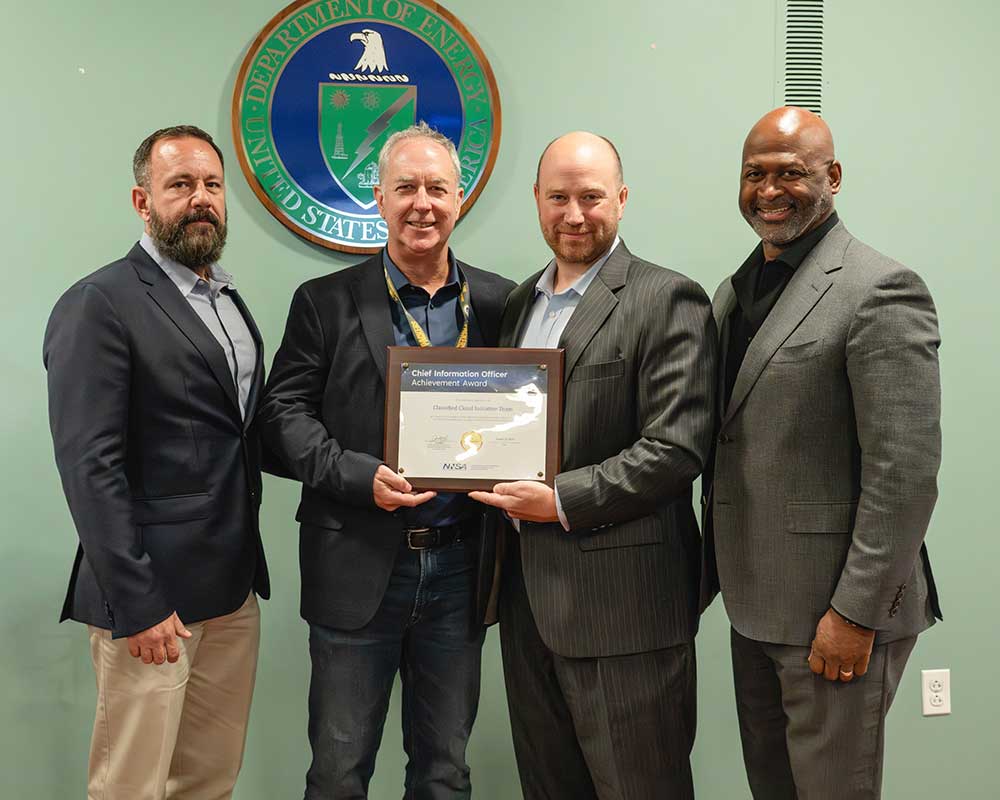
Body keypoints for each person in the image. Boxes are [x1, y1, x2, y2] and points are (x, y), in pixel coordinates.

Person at [259, 121, 514, 800]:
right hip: (358, 565)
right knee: (340, 772)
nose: (421, 202)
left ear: (461, 198)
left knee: (445, 771)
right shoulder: (324, 303)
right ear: (379, 198)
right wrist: (354, 474)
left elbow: (528, 415)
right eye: (405, 187)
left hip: (460, 568)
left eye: (436, 187)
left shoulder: (499, 302)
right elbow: (279, 419)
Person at [702, 106, 942, 799]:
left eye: (791, 173)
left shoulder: (880, 290)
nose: (770, 189)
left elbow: (905, 475)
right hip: (754, 604)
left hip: (834, 615)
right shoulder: (734, 293)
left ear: (832, 177)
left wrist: (856, 614)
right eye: (755, 174)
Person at [470, 131, 717, 799]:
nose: (574, 214)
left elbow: (676, 448)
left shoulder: (668, 299)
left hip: (625, 608)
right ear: (537, 201)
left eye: (591, 197)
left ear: (623, 199)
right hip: (527, 604)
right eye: (558, 197)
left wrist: (559, 500)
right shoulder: (519, 304)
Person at [43, 124, 270, 799]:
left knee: (209, 780)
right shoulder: (100, 303)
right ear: (143, 202)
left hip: (231, 592)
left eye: (211, 185)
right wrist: (136, 602)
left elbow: (239, 432)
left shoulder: (226, 300)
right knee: (131, 786)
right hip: (152, 602)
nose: (200, 198)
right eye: (179, 185)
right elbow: (91, 464)